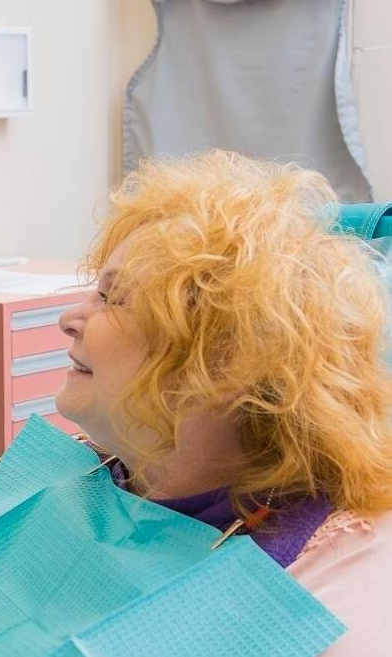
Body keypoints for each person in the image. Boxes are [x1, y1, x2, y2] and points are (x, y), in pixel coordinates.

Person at [54, 151, 392, 654]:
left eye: (114, 298)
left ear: (226, 363)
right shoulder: (65, 476)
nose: (68, 318)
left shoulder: (331, 593)